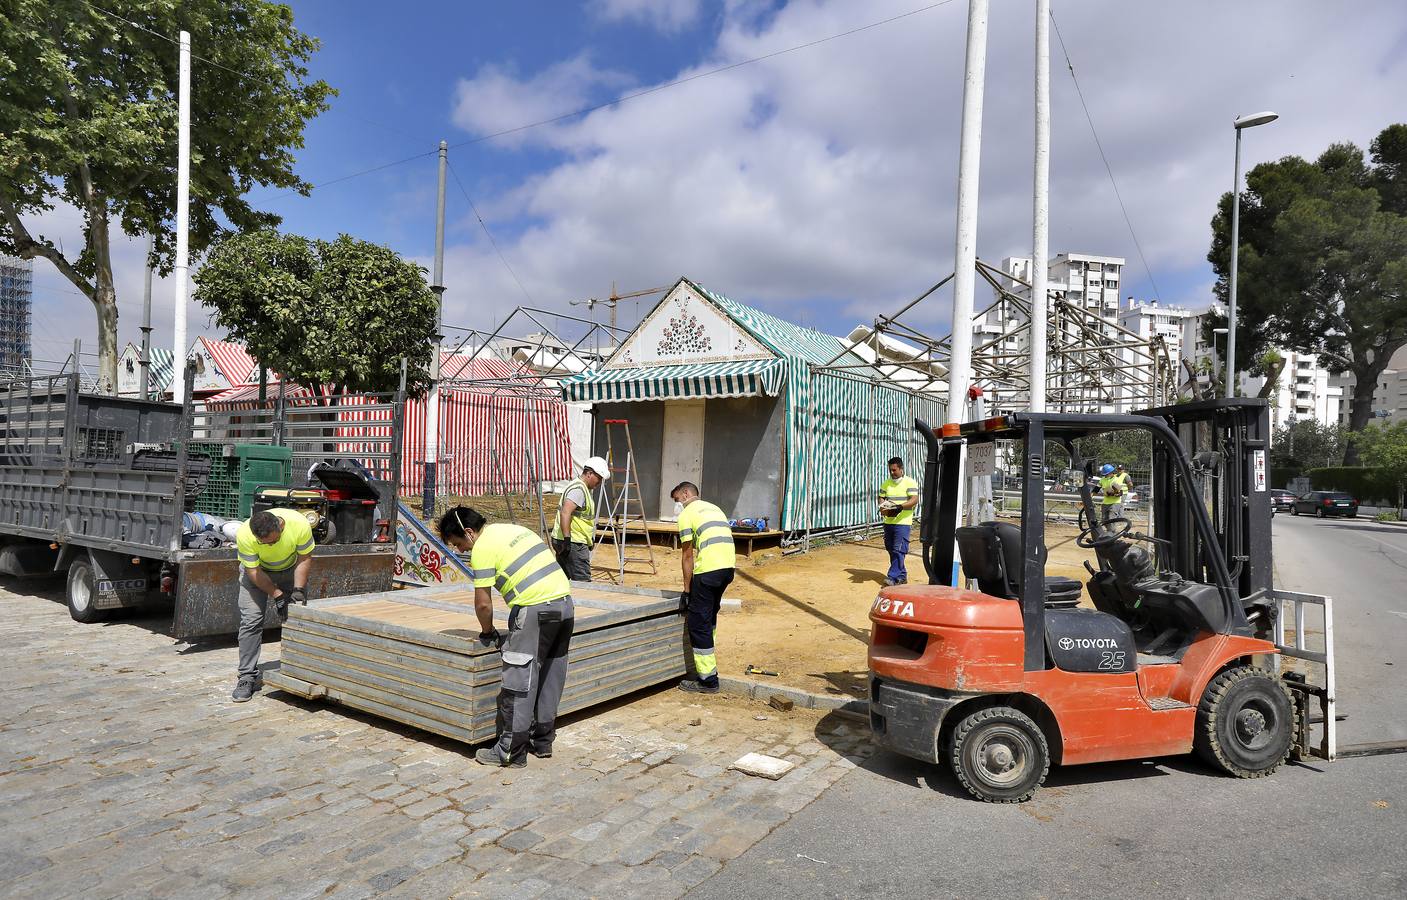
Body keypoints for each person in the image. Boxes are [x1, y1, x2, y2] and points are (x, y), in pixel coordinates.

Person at [440, 506, 574, 768]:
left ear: (469, 533)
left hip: (536, 610)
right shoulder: (513, 530)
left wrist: (488, 631)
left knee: (519, 681)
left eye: (458, 543)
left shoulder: (482, 549)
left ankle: (510, 751)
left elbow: (483, 605)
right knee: (550, 676)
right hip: (565, 605)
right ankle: (542, 741)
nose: (460, 551)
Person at [232, 508, 315, 702]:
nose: (270, 545)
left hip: (290, 569)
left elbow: (304, 558)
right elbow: (253, 572)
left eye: (274, 541)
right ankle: (246, 677)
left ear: (281, 526)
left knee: (297, 617)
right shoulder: (244, 534)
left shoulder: (299, 524)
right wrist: (277, 595)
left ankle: (300, 670)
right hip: (257, 574)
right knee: (251, 621)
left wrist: (298, 590)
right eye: (264, 543)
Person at [672, 482, 735, 694]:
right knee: (709, 618)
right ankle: (708, 665)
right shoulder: (714, 508)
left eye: (677, 499)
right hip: (727, 569)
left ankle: (707, 680)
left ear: (686, 494)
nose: (678, 505)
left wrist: (687, 591)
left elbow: (687, 555)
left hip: (707, 571)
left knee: (698, 623)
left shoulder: (687, 514)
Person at [551, 456, 609, 582]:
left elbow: (582, 519)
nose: (599, 482)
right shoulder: (578, 490)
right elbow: (565, 513)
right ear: (589, 473)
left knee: (562, 581)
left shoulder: (581, 488)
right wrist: (567, 539)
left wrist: (589, 539)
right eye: (598, 478)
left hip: (571, 540)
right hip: (573, 543)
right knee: (583, 583)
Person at [877, 457, 920, 585]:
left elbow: (914, 499)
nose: (892, 472)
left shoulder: (910, 482)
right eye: (890, 470)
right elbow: (881, 496)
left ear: (901, 469)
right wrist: (883, 505)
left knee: (899, 549)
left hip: (903, 522)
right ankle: (902, 575)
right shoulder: (886, 483)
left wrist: (901, 507)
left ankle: (892, 576)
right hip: (889, 521)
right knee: (890, 548)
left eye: (894, 470)